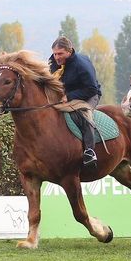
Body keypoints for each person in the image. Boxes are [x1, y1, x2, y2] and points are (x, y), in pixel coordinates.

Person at [49, 36, 102, 167]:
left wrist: (70, 96)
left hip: (88, 94)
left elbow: (91, 89)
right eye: (55, 54)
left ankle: (90, 151)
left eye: (60, 54)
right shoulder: (53, 62)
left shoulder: (81, 65)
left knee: (83, 113)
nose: (56, 57)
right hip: (65, 95)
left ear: (69, 51)